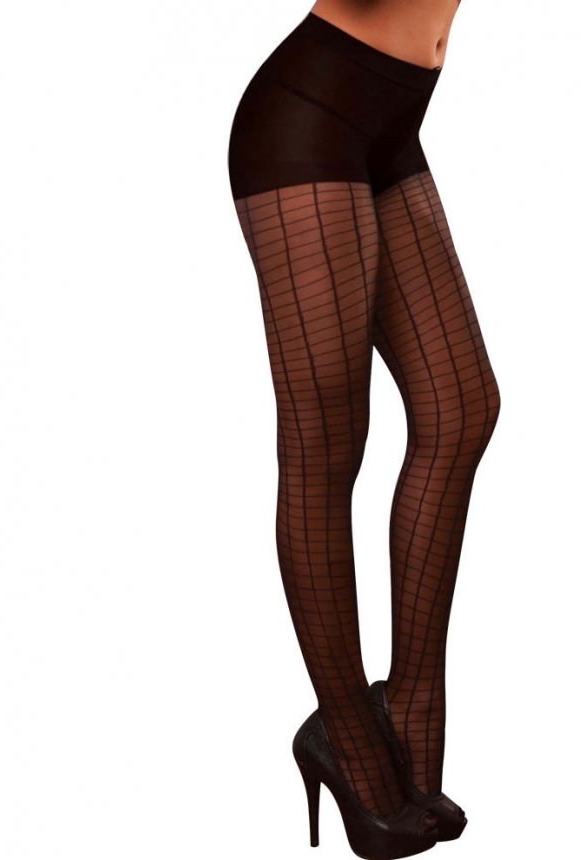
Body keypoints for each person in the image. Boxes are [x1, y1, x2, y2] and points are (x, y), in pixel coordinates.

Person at [227, 1, 500, 856]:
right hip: (306, 121)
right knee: (326, 445)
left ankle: (412, 701)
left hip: (390, 119)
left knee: (461, 407)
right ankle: (345, 732)